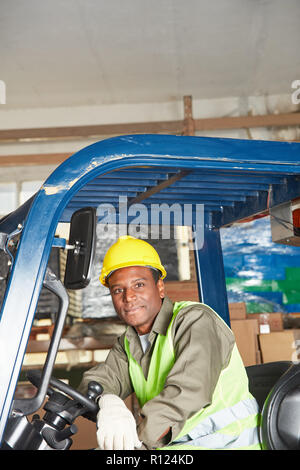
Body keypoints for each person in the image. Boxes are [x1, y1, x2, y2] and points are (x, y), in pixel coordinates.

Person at [78, 235, 261, 451]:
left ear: (160, 287)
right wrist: (107, 402)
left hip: (228, 444)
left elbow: (187, 391)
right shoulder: (129, 343)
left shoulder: (195, 321)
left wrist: (137, 442)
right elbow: (98, 381)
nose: (128, 297)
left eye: (139, 284)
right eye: (118, 290)